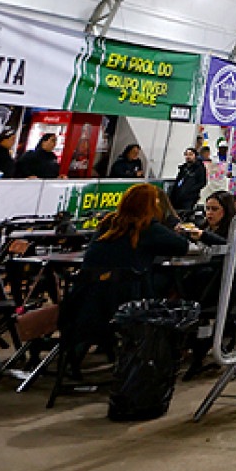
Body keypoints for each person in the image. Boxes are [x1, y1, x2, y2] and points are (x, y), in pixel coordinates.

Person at [62, 183, 195, 362]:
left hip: (85, 302)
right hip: (127, 305)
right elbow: (182, 246)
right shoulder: (148, 227)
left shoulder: (107, 223)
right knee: (170, 286)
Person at [169, 148, 207, 214]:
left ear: (195, 156)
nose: (188, 157)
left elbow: (202, 182)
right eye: (186, 155)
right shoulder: (183, 168)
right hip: (177, 197)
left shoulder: (199, 168)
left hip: (189, 198)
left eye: (190, 154)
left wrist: (191, 190)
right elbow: (178, 181)